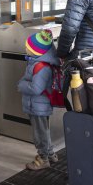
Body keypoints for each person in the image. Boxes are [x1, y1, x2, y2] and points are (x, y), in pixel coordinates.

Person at [17, 29, 59, 170]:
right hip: (38, 105)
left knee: (39, 133)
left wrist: (22, 85)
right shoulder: (37, 62)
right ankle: (51, 153)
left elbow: (36, 88)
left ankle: (43, 158)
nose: (26, 49)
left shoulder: (41, 66)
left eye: (28, 48)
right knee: (43, 130)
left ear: (37, 51)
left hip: (38, 105)